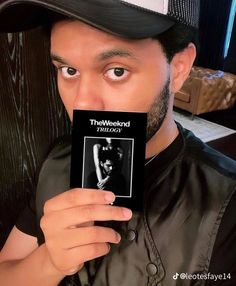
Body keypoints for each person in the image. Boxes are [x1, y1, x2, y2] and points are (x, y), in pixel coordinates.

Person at [0, 1, 235, 286]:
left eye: (117, 71)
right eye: (68, 71)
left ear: (180, 68)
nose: (83, 105)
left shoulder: (226, 205)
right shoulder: (58, 161)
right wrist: (49, 262)